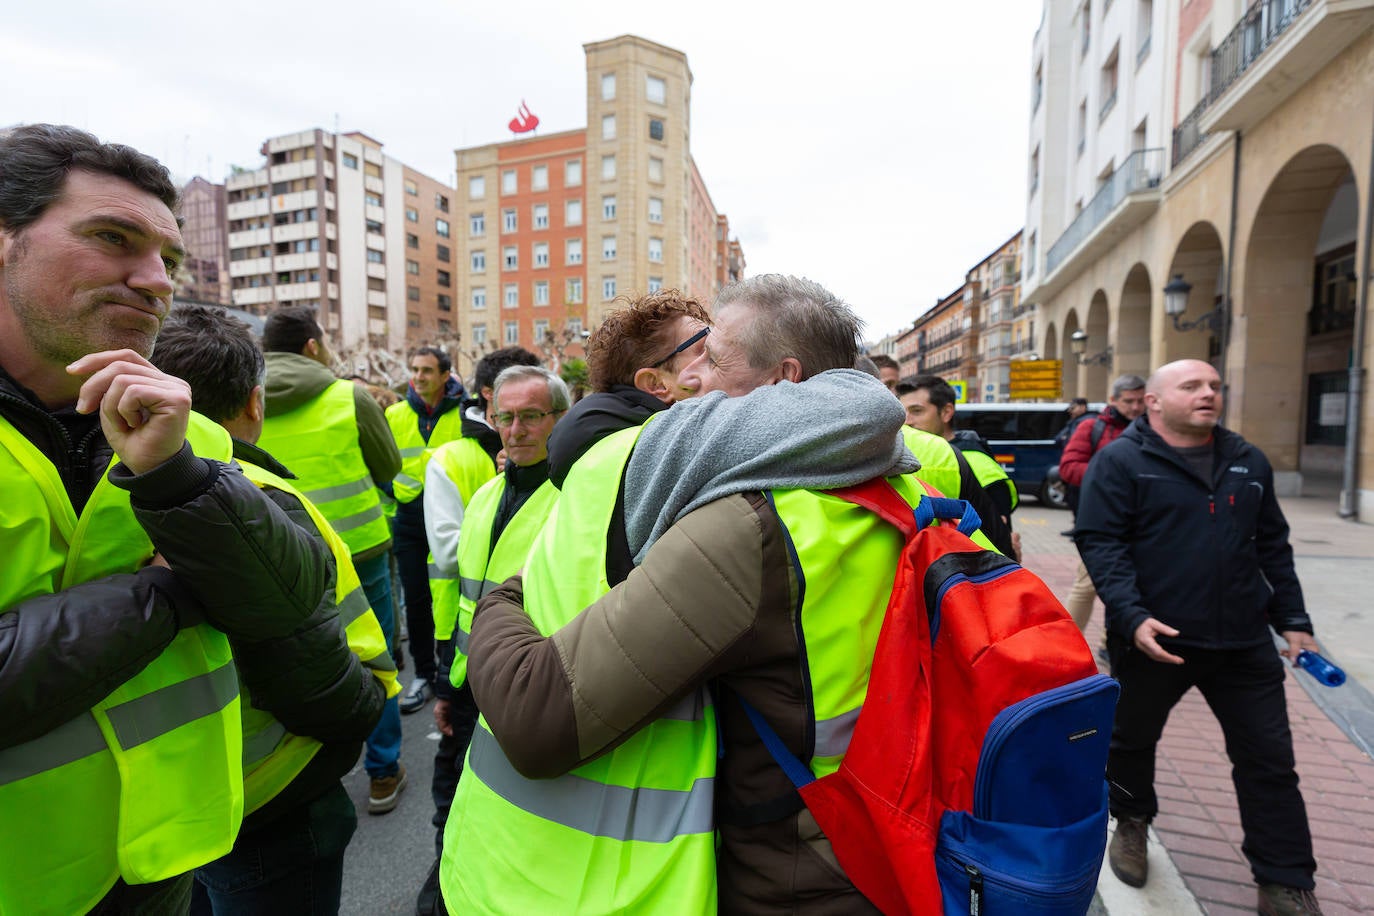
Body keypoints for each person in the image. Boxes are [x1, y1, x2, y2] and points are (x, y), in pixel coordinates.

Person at [455, 275, 997, 912]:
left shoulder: (754, 524)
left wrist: (503, 597)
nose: (689, 379)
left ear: (781, 380)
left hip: (802, 877)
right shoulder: (904, 484)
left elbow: (537, 716)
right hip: (897, 839)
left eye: (713, 359)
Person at [0, 124, 332, 914]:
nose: (154, 281)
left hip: (163, 864)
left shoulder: (188, 428)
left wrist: (174, 473)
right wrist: (171, 596)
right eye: (112, 238)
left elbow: (293, 598)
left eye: (170, 261)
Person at [150, 304, 394, 913]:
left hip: (166, 803)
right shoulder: (262, 499)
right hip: (269, 794)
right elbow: (320, 677)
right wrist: (361, 715)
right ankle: (389, 772)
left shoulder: (105, 495)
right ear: (252, 405)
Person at [1076, 359, 1322, 916]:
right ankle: (1132, 822)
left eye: (1214, 385)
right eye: (1192, 386)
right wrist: (1133, 616)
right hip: (1155, 639)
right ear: (1155, 401)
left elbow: (1273, 547)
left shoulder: (1247, 459)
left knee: (1269, 761)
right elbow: (1101, 543)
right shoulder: (1120, 462)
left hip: (1243, 643)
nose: (1208, 393)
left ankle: (1284, 880)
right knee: (1132, 745)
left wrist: (1295, 620)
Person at [419, 366, 569, 915]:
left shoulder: (573, 500)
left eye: (531, 416)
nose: (515, 429)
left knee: (513, 820)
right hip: (468, 685)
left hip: (527, 689)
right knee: (450, 806)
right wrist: (443, 682)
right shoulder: (484, 497)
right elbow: (459, 597)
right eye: (504, 417)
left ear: (558, 418)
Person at [257, 305, 408, 815]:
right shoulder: (349, 396)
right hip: (360, 553)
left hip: (277, 558)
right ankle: (383, 772)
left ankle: (300, 768)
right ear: (313, 347)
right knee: (375, 657)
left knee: (294, 661)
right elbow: (389, 465)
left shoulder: (241, 399)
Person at [385, 346, 476, 715]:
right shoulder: (393, 414)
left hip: (450, 516)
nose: (418, 376)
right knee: (417, 599)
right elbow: (383, 460)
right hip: (408, 517)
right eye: (414, 369)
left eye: (426, 370)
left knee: (454, 595)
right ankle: (423, 674)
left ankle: (453, 671)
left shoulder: (464, 413)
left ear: (444, 375)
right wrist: (393, 492)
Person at [1058, 374, 1146, 632]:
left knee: (1134, 584)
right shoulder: (1092, 428)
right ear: (1113, 400)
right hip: (1103, 521)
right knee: (1088, 583)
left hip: (1143, 521)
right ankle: (1066, 641)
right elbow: (1069, 468)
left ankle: (1112, 641)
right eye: (1129, 401)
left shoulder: (1154, 429)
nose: (1135, 407)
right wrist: (1113, 478)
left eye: (1141, 401)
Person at [900, 375, 1018, 526]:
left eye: (916, 411)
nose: (907, 421)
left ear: (946, 412)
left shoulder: (978, 463)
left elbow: (998, 535)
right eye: (902, 413)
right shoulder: (905, 455)